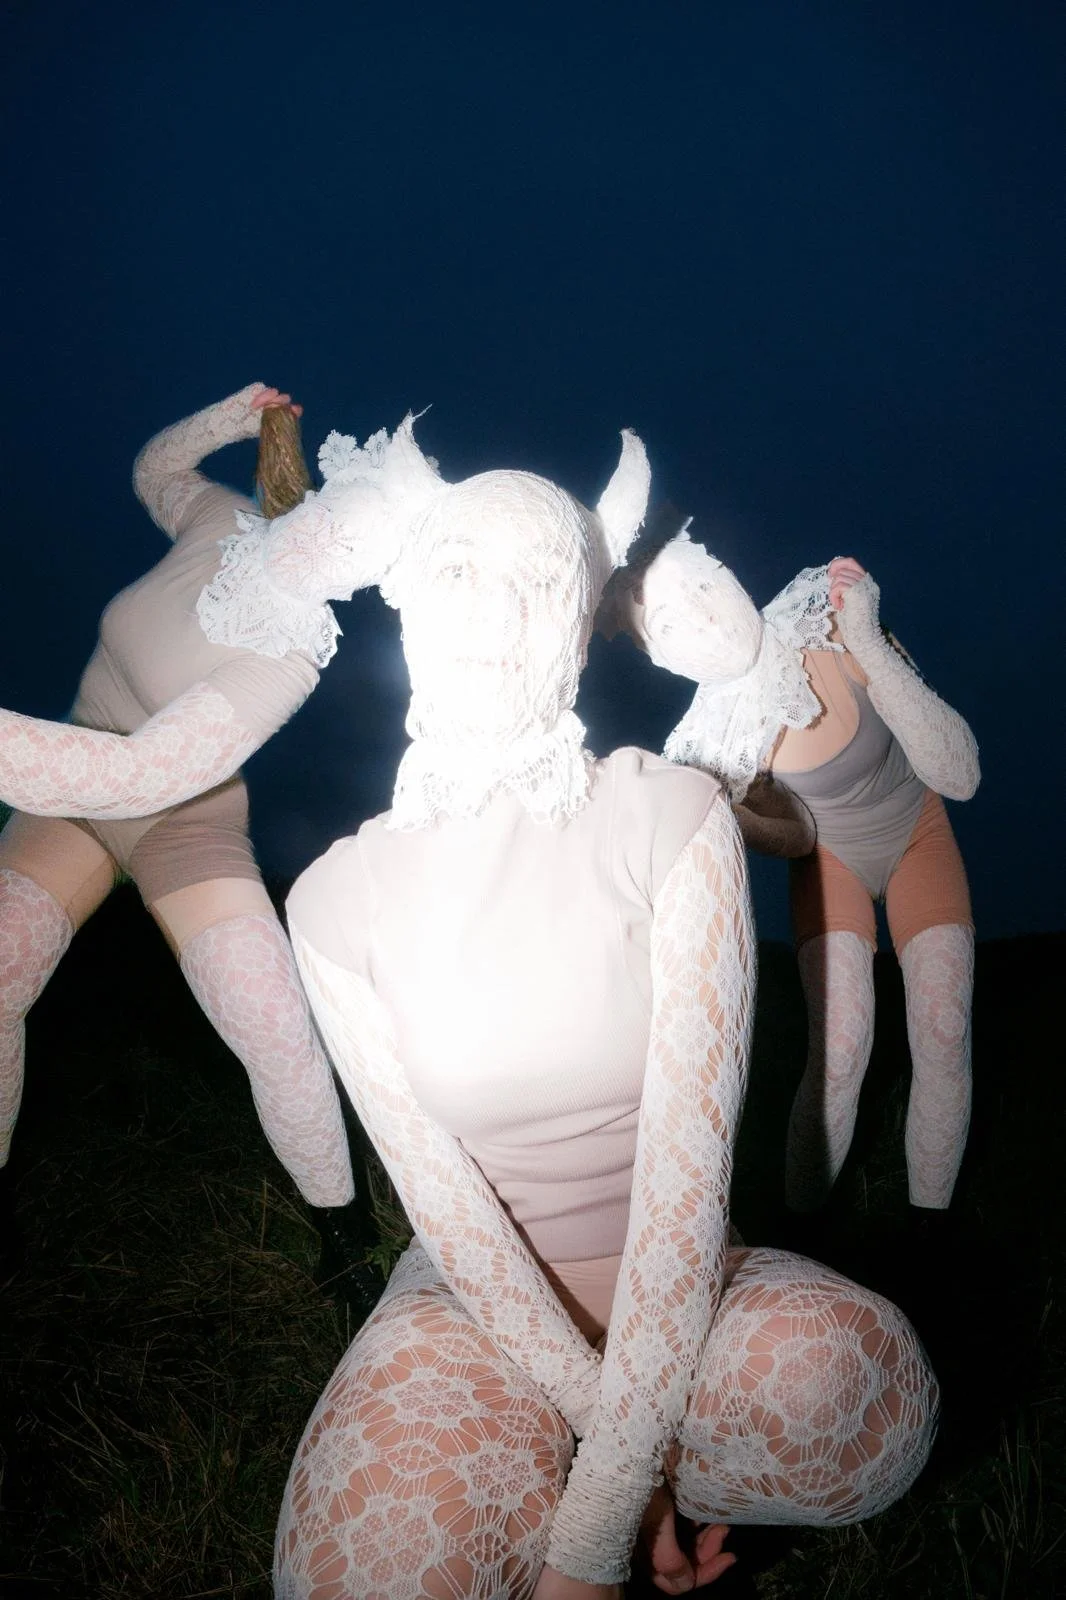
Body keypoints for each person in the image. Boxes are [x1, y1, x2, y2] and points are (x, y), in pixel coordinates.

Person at [263, 420, 937, 1599]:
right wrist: (620, 1473)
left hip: (681, 1289)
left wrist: (589, 1539)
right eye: (459, 572)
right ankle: (587, 1464)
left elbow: (685, 1181)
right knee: (362, 1570)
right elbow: (445, 1208)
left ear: (584, 623)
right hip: (477, 1305)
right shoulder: (328, 902)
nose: (495, 613)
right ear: (404, 599)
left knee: (857, 1388)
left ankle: (617, 1482)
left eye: (540, 582)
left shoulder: (670, 817)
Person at [0, 384, 377, 1302]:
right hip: (72, 789)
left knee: (274, 1021)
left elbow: (148, 777)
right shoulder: (224, 520)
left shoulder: (291, 653)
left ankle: (347, 1240)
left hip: (184, 818)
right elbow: (154, 469)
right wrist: (236, 415)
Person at [602, 532, 978, 1225]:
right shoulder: (713, 742)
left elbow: (959, 773)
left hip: (916, 831)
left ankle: (932, 1236)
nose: (703, 618)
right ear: (657, 655)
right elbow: (799, 835)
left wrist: (867, 642)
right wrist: (728, 812)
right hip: (830, 860)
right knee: (840, 1049)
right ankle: (807, 1234)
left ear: (725, 573)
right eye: (669, 623)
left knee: (944, 1025)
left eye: (703, 586)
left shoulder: (828, 625)